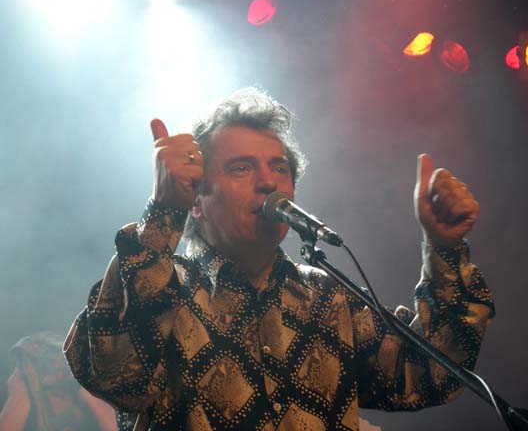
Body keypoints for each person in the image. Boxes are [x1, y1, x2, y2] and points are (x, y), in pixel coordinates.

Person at [64, 87, 494, 430]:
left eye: (280, 168)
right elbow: (116, 376)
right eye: (242, 168)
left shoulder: (328, 296)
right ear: (195, 200)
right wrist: (162, 213)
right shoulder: (166, 290)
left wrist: (443, 248)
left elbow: (430, 374)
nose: (269, 181)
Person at [0, 331, 116, 431]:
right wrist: (20, 386)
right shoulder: (25, 392)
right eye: (45, 364)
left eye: (54, 358)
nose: (56, 367)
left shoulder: (83, 388)